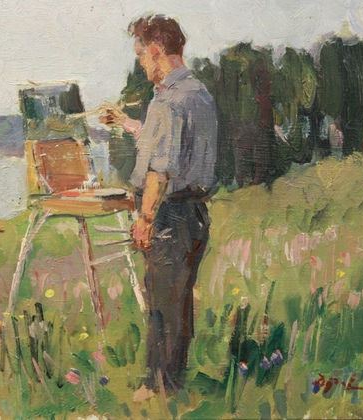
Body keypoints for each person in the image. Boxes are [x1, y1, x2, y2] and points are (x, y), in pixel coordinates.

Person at [99, 15, 218, 398]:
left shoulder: (167, 101)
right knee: (178, 301)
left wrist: (145, 218)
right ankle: (173, 382)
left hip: (169, 213)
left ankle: (158, 387)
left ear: (155, 50)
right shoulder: (197, 93)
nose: (140, 63)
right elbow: (170, 143)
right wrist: (127, 123)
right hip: (195, 214)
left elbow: (161, 169)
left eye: (141, 55)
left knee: (163, 304)